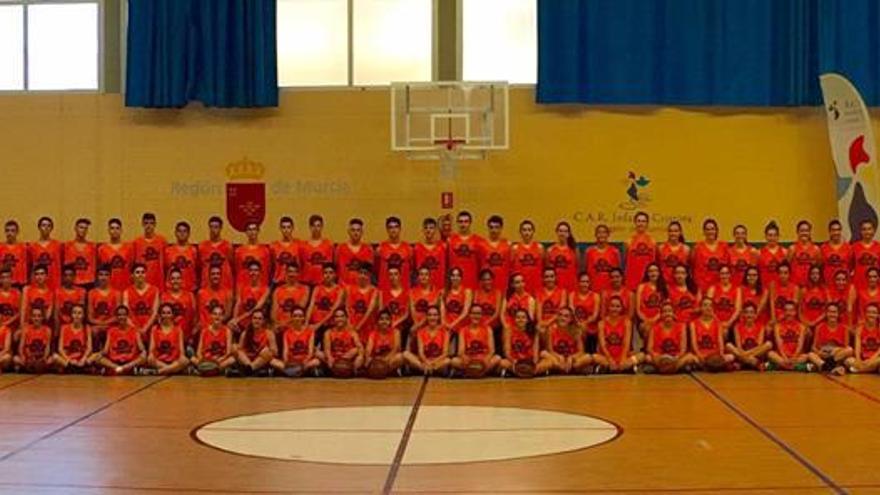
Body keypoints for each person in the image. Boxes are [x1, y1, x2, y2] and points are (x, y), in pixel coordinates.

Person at [645, 302, 697, 373]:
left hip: (675, 357)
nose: (667, 314)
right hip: (660, 357)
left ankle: (661, 369)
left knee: (690, 357)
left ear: (674, 314)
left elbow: (683, 349)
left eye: (669, 311)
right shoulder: (654, 328)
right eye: (665, 312)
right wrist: (657, 357)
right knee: (648, 357)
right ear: (661, 315)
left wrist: (676, 357)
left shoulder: (681, 326)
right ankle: (676, 369)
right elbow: (649, 348)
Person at [593, 296, 641, 373]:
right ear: (608, 307)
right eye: (612, 306)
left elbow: (626, 343)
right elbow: (603, 345)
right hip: (607, 356)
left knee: (641, 356)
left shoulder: (627, 322)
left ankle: (615, 368)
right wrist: (610, 359)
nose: (614, 309)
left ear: (621, 308)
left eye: (617, 306)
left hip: (623, 355)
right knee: (594, 357)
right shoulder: (601, 323)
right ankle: (619, 367)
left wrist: (623, 359)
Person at [271, 306, 322, 376]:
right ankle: (296, 371)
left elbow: (310, 352)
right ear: (291, 318)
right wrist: (286, 362)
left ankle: (292, 371)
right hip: (291, 362)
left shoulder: (310, 332)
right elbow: (285, 351)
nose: (297, 318)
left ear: (303, 318)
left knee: (316, 361)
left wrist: (304, 362)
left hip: (304, 362)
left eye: (300, 316)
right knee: (272, 361)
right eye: (295, 316)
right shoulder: (287, 333)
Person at [95, 305, 146, 375]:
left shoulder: (135, 331)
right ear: (116, 317)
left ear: (127, 316)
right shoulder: (111, 331)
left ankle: (121, 368)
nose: (121, 317)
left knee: (143, 358)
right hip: (114, 361)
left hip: (129, 361)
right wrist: (99, 354)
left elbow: (141, 348)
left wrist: (143, 352)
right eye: (119, 315)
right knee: (98, 359)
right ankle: (119, 368)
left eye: (124, 315)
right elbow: (105, 350)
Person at [452, 305, 501, 375]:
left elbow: (492, 350)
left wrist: (486, 359)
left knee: (497, 358)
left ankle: (471, 372)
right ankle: (480, 372)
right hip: (469, 360)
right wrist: (466, 359)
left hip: (483, 359)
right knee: (454, 361)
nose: (476, 316)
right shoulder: (463, 330)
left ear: (481, 315)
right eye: (474, 313)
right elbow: (460, 351)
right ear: (469, 315)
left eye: (478, 313)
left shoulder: (488, 329)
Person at [500, 308, 551, 375]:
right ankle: (530, 373)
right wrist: (514, 362)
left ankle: (522, 372)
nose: (521, 319)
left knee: (549, 362)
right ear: (514, 320)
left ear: (527, 320)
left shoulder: (533, 331)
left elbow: (535, 351)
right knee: (502, 362)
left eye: (523, 317)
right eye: (518, 317)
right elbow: (507, 352)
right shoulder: (509, 331)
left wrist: (533, 364)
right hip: (516, 361)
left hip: (529, 362)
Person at [403, 305, 450, 375]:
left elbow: (445, 353)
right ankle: (428, 369)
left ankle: (428, 370)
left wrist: (433, 362)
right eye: (430, 315)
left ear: (438, 317)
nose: (432, 317)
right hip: (424, 361)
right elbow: (421, 353)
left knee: (448, 360)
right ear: (427, 317)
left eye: (435, 315)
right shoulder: (421, 332)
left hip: (437, 362)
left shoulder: (445, 332)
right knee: (406, 354)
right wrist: (427, 362)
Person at [542, 307, 591, 374]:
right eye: (560, 315)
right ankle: (567, 369)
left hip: (571, 360)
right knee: (544, 353)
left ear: (571, 319)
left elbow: (581, 351)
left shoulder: (576, 331)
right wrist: (559, 357)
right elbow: (550, 350)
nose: (562, 318)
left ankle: (560, 369)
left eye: (566, 316)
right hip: (558, 359)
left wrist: (571, 358)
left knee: (587, 357)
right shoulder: (551, 330)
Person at [145, 303, 189, 375]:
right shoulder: (155, 329)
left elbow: (182, 351)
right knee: (150, 359)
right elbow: (151, 349)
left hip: (174, 360)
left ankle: (160, 371)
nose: (166, 315)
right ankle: (173, 370)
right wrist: (151, 355)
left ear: (172, 315)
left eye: (168, 313)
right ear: (160, 314)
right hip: (159, 361)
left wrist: (182, 357)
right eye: (163, 313)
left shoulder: (178, 329)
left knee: (185, 360)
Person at [689, 298, 735, 369]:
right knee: (690, 358)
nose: (708, 308)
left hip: (714, 355)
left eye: (710, 306)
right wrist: (699, 355)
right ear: (701, 308)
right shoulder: (693, 324)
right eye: (705, 305)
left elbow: (720, 341)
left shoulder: (718, 323)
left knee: (731, 357)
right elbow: (693, 343)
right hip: (701, 355)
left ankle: (707, 366)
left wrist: (721, 354)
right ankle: (717, 366)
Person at [807, 303, 852, 375]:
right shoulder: (819, 327)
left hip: (836, 355)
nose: (832, 314)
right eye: (830, 312)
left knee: (850, 350)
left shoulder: (844, 328)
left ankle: (826, 366)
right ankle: (830, 367)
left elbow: (846, 347)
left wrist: (836, 350)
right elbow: (813, 347)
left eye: (834, 312)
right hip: (823, 354)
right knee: (810, 354)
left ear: (838, 314)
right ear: (826, 313)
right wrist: (819, 353)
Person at [725, 302, 772, 369]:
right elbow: (739, 347)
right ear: (743, 314)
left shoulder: (761, 326)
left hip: (755, 354)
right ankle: (754, 363)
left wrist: (745, 355)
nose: (749, 315)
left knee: (769, 344)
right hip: (745, 353)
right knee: (728, 345)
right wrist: (746, 355)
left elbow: (759, 346)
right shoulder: (737, 327)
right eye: (746, 312)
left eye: (751, 312)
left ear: (755, 314)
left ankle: (742, 363)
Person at [191, 305, 236, 374]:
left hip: (219, 360)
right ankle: (215, 371)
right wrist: (203, 360)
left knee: (232, 359)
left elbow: (228, 352)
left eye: (220, 314)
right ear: (211, 316)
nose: (217, 317)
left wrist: (219, 360)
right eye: (215, 314)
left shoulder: (227, 331)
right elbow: (198, 352)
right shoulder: (204, 331)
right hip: (206, 360)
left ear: (223, 317)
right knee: (192, 359)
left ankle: (204, 371)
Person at [121, 263, 159, 343]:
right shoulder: (127, 292)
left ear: (146, 274)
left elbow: (155, 313)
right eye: (137, 272)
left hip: (149, 328)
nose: (140, 274)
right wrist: (136, 329)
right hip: (133, 328)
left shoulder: (154, 290)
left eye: (142, 272)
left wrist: (145, 328)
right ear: (132, 275)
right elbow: (126, 315)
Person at [305, 263, 345, 338]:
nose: (328, 275)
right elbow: (311, 306)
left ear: (335, 275)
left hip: (330, 325)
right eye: (325, 273)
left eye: (330, 273)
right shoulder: (317, 288)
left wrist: (319, 325)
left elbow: (333, 310)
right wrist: (306, 323)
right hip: (314, 323)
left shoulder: (340, 290)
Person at [767, 301, 809, 371]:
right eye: (786, 310)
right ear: (783, 312)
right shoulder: (777, 326)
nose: (788, 313)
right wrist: (785, 358)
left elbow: (800, 345)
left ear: (795, 312)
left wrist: (793, 358)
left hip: (796, 356)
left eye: (791, 310)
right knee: (770, 354)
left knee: (806, 356)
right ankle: (797, 367)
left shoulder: (802, 327)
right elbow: (779, 345)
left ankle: (778, 366)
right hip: (782, 356)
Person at [160, 268, 197, 348]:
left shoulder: (190, 296)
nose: (175, 281)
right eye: (173, 279)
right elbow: (160, 319)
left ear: (182, 280)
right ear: (169, 281)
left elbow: (195, 318)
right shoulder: (164, 296)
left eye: (178, 278)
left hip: (187, 338)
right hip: (170, 339)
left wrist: (192, 336)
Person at [231, 261, 271, 333]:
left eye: (256, 270)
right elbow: (238, 304)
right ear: (248, 272)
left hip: (256, 324)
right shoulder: (242, 288)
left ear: (260, 272)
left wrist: (238, 319)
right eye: (251, 270)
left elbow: (256, 308)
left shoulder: (266, 289)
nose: (253, 273)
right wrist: (234, 320)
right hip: (242, 324)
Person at [87, 265, 120, 352]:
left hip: (111, 324)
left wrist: (105, 324)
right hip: (97, 325)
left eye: (106, 275)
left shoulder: (116, 293)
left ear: (110, 277)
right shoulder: (91, 293)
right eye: (101, 275)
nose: (103, 277)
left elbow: (118, 316)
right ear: (97, 277)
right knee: (93, 331)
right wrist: (100, 324)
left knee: (113, 331)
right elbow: (90, 317)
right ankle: (95, 356)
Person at [321, 308, 364, 374]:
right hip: (334, 359)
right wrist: (329, 357)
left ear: (346, 318)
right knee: (317, 352)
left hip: (347, 359)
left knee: (357, 351)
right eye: (337, 317)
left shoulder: (352, 332)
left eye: (342, 316)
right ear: (333, 319)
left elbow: (360, 347)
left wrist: (359, 355)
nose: (339, 319)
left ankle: (352, 370)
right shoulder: (328, 332)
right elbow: (327, 349)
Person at [448, 211, 483, 289]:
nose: (463, 224)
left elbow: (481, 264)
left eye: (466, 221)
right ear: (457, 223)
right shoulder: (450, 241)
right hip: (455, 285)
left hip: (473, 284)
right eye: (460, 222)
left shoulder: (478, 241)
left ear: (470, 223)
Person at [692, 218, 729, 292]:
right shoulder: (698, 247)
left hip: (720, 287)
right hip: (703, 287)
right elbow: (694, 268)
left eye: (712, 229)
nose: (710, 232)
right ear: (704, 231)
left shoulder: (724, 246)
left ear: (716, 231)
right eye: (707, 229)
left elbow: (727, 267)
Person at [235, 309, 276, 375]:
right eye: (255, 318)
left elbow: (275, 352)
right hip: (247, 360)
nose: (257, 321)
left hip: (261, 360)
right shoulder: (245, 333)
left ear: (263, 321)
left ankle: (249, 369)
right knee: (235, 348)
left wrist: (266, 351)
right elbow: (240, 351)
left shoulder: (269, 333)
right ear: (251, 320)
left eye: (260, 319)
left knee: (269, 352)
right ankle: (251, 369)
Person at [335, 218, 375, 286]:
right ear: (348, 231)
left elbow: (370, 273)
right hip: (343, 288)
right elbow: (335, 268)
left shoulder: (368, 250)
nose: (355, 233)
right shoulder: (340, 248)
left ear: (362, 232)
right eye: (353, 230)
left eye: (358, 230)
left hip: (361, 289)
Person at [346, 262, 379, 344]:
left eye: (365, 273)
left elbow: (370, 311)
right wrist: (350, 324)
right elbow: (347, 308)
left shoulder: (375, 291)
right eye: (360, 273)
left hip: (368, 326)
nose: (362, 276)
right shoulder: (349, 289)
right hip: (351, 325)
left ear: (370, 275)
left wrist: (359, 326)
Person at [198, 216, 233, 291]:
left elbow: (231, 264)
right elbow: (200, 266)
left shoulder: (227, 246)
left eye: (216, 227)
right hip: (206, 285)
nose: (214, 230)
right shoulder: (202, 246)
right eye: (211, 227)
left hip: (224, 285)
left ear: (221, 228)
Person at [97, 218, 134, 291]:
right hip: (109, 289)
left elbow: (131, 267)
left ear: (121, 230)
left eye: (117, 228)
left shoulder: (129, 248)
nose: (115, 231)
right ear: (108, 231)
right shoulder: (102, 249)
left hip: (126, 287)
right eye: (112, 228)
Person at [364, 310, 403, 375]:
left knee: (401, 357)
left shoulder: (396, 332)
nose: (384, 321)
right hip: (376, 361)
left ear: (390, 321)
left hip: (390, 360)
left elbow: (396, 348)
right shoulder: (373, 334)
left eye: (387, 319)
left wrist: (385, 360)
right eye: (381, 319)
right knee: (365, 358)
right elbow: (368, 350)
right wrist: (370, 359)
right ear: (377, 322)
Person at [623, 212, 656, 291]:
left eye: (643, 221)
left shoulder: (653, 241)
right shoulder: (628, 241)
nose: (641, 223)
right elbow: (625, 263)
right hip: (632, 282)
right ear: (635, 223)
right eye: (639, 221)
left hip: (648, 281)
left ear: (647, 224)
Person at [510, 219, 544, 295]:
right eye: (524, 230)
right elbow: (511, 269)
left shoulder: (539, 248)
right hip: (520, 288)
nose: (527, 232)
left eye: (529, 230)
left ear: (533, 232)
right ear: (520, 232)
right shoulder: (515, 248)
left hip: (536, 287)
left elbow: (544, 268)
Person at [234, 222, 271, 290]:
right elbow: (237, 271)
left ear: (258, 231)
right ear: (246, 232)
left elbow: (267, 270)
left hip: (260, 289)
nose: (252, 232)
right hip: (243, 288)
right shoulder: (239, 251)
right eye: (249, 230)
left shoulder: (265, 251)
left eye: (254, 229)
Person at [478, 215, 511, 293]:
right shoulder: (481, 245)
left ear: (501, 228)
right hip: (486, 287)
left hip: (503, 286)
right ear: (488, 228)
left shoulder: (508, 245)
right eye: (491, 227)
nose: (494, 230)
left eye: (496, 227)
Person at [133, 213, 166, 289]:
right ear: (142, 224)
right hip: (141, 283)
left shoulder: (162, 241)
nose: (149, 225)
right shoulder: (136, 242)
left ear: (155, 224)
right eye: (146, 223)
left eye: (151, 223)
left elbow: (165, 264)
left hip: (158, 283)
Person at [584, 224, 620, 292]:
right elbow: (585, 271)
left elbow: (617, 274)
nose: (601, 235)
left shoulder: (614, 251)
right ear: (595, 234)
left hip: (609, 290)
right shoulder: (589, 251)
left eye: (604, 232)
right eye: (599, 232)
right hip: (593, 290)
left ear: (608, 235)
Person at [299, 215, 333, 287]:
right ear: (310, 227)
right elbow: (300, 265)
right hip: (306, 283)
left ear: (322, 227)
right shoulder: (302, 246)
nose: (316, 228)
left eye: (318, 226)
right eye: (313, 226)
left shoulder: (328, 244)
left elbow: (329, 266)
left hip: (322, 283)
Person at [414, 218, 447, 291]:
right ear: (423, 230)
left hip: (440, 289)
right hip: (422, 290)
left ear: (435, 230)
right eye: (426, 228)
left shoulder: (443, 247)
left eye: (431, 228)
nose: (428, 230)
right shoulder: (417, 248)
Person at [14, 307, 52, 372]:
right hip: (29, 358)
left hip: (41, 357)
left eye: (39, 316)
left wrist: (44, 358)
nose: (36, 318)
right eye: (34, 316)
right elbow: (21, 347)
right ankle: (28, 366)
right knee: (15, 358)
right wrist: (23, 357)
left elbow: (47, 347)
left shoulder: (47, 330)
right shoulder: (26, 329)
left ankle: (36, 367)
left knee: (53, 358)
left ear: (42, 318)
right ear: (31, 317)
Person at [570, 272, 601, 352]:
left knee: (583, 330)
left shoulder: (596, 296)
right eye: (582, 282)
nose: (584, 284)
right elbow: (571, 312)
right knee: (578, 330)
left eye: (587, 282)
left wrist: (584, 323)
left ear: (590, 283)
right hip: (576, 325)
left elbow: (595, 316)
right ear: (578, 282)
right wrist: (578, 323)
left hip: (591, 326)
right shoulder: (572, 295)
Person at [28, 217, 61, 289]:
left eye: (48, 226)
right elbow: (30, 266)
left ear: (52, 228)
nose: (46, 228)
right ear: (39, 227)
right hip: (37, 283)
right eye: (43, 225)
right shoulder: (32, 246)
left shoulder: (58, 245)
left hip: (54, 282)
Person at [846, 302, 880, 373]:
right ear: (865, 314)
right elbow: (857, 349)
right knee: (848, 361)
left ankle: (860, 370)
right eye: (869, 312)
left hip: (875, 359)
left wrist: (871, 360)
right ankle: (869, 369)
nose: (871, 315)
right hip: (863, 359)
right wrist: (858, 360)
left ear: (877, 315)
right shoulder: (860, 329)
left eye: (874, 313)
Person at [197, 265, 234, 330]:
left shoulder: (228, 293)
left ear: (221, 276)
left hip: (221, 328)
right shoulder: (201, 293)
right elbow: (200, 315)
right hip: (205, 329)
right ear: (209, 276)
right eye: (213, 274)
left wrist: (215, 324)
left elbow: (228, 314)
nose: (215, 276)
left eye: (218, 274)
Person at [164, 221, 198, 291]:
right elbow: (164, 270)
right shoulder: (168, 251)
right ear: (175, 233)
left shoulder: (194, 250)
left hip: (190, 289)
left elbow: (198, 269)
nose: (182, 234)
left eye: (184, 231)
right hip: (172, 290)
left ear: (189, 234)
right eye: (179, 231)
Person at [706, 265, 741, 332]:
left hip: (732, 324)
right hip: (715, 323)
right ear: (719, 275)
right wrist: (719, 324)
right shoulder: (712, 289)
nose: (724, 276)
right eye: (722, 273)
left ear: (730, 275)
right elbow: (708, 308)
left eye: (726, 273)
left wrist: (728, 323)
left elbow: (738, 309)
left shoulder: (737, 289)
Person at [635, 263, 665, 341]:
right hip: (644, 319)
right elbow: (638, 309)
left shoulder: (663, 287)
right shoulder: (641, 287)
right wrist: (646, 320)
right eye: (650, 271)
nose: (653, 273)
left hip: (659, 319)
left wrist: (654, 320)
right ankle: (647, 348)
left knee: (654, 328)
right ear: (647, 274)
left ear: (659, 273)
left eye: (655, 271)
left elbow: (664, 308)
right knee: (646, 328)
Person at [21, 265, 53, 332]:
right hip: (28, 325)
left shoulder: (51, 293)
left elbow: (48, 316)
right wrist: (21, 327)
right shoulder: (27, 289)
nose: (39, 277)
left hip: (43, 325)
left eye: (42, 274)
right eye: (37, 274)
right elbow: (23, 310)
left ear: (47, 276)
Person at [546, 221, 578, 292]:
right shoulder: (550, 250)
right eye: (560, 231)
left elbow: (577, 269)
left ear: (569, 234)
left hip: (571, 286)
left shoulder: (574, 250)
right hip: (556, 288)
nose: (562, 233)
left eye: (565, 231)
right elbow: (548, 271)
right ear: (557, 232)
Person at [54, 264, 86, 333]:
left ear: (74, 276)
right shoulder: (58, 291)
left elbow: (81, 312)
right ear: (62, 277)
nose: (68, 278)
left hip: (76, 323)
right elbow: (57, 311)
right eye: (66, 275)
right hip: (62, 322)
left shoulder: (81, 291)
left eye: (70, 275)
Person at [409, 266, 442, 332]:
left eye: (426, 274)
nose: (424, 277)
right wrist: (416, 324)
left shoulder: (436, 292)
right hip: (415, 324)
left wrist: (419, 325)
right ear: (418, 277)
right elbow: (412, 310)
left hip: (430, 326)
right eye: (421, 274)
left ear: (430, 277)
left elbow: (430, 312)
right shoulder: (412, 292)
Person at [657, 221, 689, 287]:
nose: (673, 233)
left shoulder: (686, 249)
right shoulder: (661, 248)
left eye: (675, 231)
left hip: (680, 286)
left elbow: (689, 269)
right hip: (665, 286)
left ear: (680, 232)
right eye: (670, 231)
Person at [789, 221, 821, 287]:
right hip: (795, 286)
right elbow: (787, 268)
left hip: (810, 286)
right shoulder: (792, 248)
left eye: (806, 231)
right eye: (802, 231)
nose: (804, 233)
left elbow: (819, 267)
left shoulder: (816, 249)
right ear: (797, 232)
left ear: (809, 232)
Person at [271, 216, 301, 286]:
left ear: (292, 228)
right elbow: (272, 266)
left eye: (288, 227)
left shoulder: (299, 245)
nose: (286, 230)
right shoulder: (274, 246)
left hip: (294, 282)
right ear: (280, 229)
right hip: (278, 281)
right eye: (284, 227)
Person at [758, 221, 788, 289]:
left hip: (779, 289)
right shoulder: (759, 253)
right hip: (764, 288)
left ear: (778, 236)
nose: (772, 238)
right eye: (770, 235)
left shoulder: (785, 252)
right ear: (765, 236)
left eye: (774, 235)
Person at [821, 220, 852, 286]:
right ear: (829, 232)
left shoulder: (849, 248)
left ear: (841, 231)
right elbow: (821, 266)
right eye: (833, 230)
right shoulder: (823, 248)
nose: (836, 232)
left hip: (844, 285)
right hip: (828, 284)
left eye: (838, 230)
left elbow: (851, 266)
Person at [380, 266, 410, 333]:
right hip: (387, 328)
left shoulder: (408, 293)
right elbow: (381, 311)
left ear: (400, 276)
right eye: (390, 274)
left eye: (395, 274)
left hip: (403, 329)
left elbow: (407, 314)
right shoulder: (382, 293)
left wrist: (395, 323)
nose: (393, 277)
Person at [852, 219, 880, 290]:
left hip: (875, 287)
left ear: (873, 230)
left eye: (869, 229)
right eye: (864, 229)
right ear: (861, 231)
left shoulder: (878, 247)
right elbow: (850, 266)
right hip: (858, 286)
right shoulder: (853, 247)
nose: (867, 232)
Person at [443, 267, 472, 331]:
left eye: (458, 275)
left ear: (461, 278)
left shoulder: (467, 292)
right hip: (447, 326)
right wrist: (445, 325)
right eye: (453, 275)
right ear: (450, 277)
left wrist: (452, 325)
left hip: (461, 327)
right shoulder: (444, 292)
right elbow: (442, 313)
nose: (455, 278)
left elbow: (465, 312)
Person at [799, 265, 827, 329]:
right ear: (809, 275)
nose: (815, 276)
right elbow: (799, 312)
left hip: (820, 323)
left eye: (817, 273)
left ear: (820, 276)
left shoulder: (824, 291)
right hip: (806, 323)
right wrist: (806, 323)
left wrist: (815, 322)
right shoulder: (803, 290)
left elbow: (826, 311)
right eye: (813, 273)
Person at [0, 220, 27, 287]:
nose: (9, 233)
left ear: (17, 232)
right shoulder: (1, 247)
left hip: (18, 283)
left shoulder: (23, 248)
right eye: (7, 230)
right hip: (3, 282)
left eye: (12, 231)